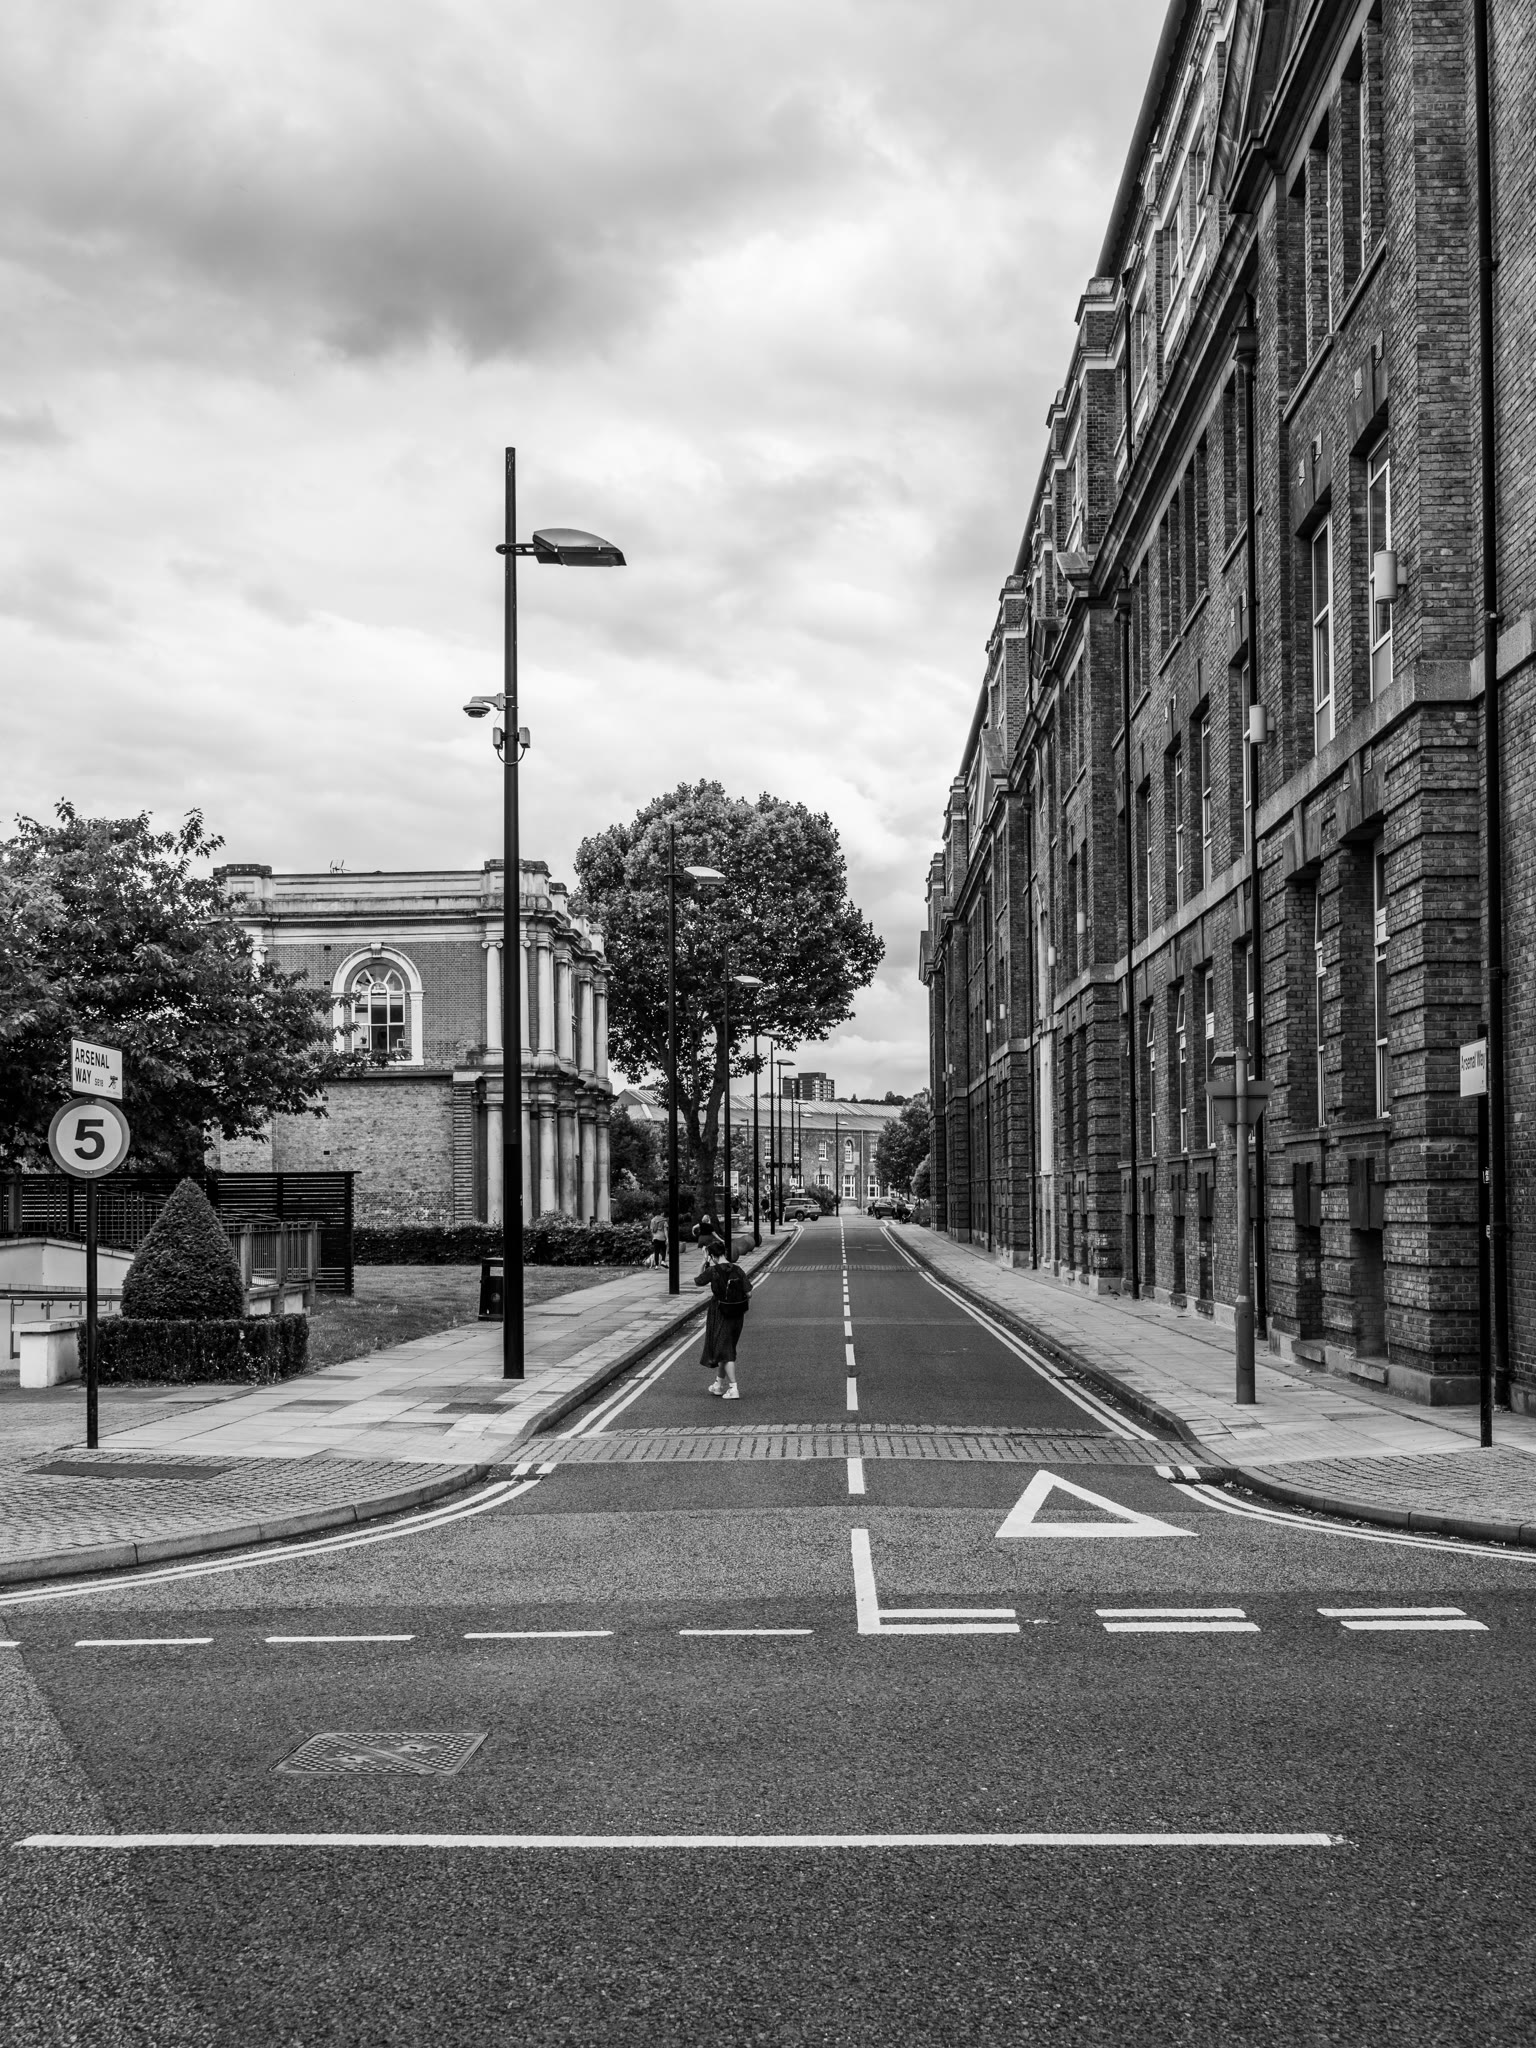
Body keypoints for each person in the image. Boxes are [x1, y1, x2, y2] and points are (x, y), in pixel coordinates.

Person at [694, 1235, 752, 1399]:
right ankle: (718, 1385)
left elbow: (698, 1281)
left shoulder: (713, 1271)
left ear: (712, 1256)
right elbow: (749, 1293)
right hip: (737, 1314)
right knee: (725, 1349)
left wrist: (703, 1262)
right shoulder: (737, 1269)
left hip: (719, 1312)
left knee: (725, 1351)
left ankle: (734, 1388)